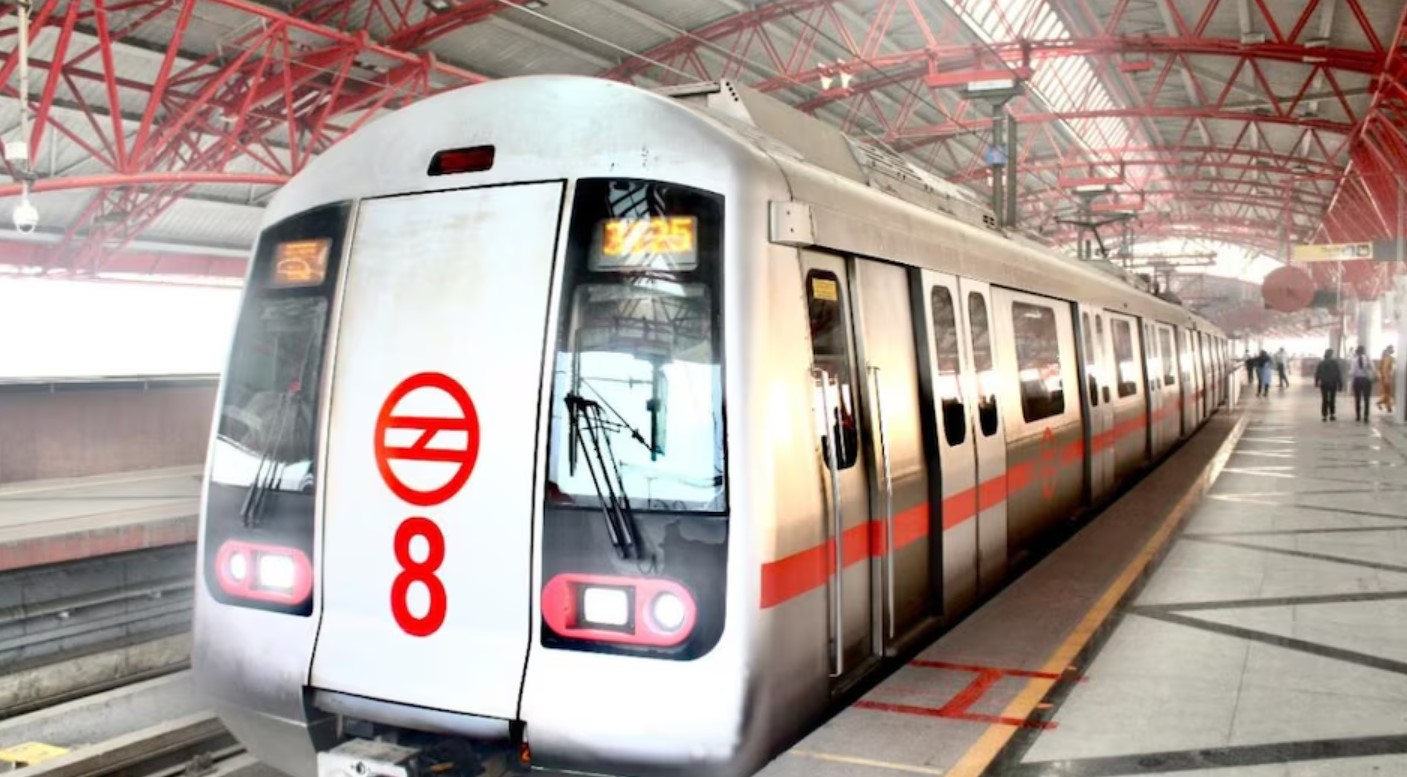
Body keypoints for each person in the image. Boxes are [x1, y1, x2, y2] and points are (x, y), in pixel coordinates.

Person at [1314, 348, 1342, 421]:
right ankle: (1332, 414)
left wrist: (1316, 382)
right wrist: (1340, 383)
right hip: (1333, 383)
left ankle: (1324, 415)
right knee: (1332, 399)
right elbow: (1338, 373)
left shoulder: (1321, 363)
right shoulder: (1335, 363)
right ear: (1331, 355)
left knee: (1325, 399)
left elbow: (1317, 373)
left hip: (1324, 383)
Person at [1351, 345, 1375, 422]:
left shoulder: (1354, 360)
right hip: (1366, 380)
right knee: (1366, 399)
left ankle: (1358, 416)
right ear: (1364, 351)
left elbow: (1352, 372)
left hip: (1357, 380)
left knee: (1357, 399)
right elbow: (1373, 369)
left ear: (1357, 352)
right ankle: (1366, 417)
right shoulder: (1368, 359)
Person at [1379, 345, 1396, 414]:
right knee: (1387, 393)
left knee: (1386, 393)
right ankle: (1386, 405)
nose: (1393, 350)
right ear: (1389, 349)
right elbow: (1385, 369)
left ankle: (1386, 405)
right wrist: (1386, 378)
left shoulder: (1385, 358)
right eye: (1392, 349)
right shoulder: (1388, 358)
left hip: (1385, 377)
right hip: (1387, 378)